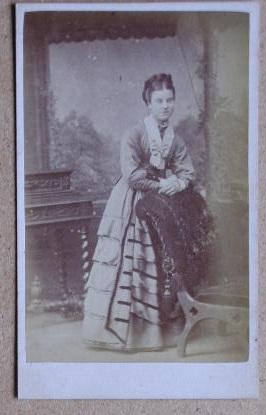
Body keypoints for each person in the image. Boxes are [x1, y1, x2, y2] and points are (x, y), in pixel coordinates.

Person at [82, 73, 195, 351]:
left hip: (163, 201)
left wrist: (178, 182)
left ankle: (163, 328)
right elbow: (132, 176)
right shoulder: (134, 134)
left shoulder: (174, 138)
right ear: (148, 102)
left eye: (170, 100)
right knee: (132, 258)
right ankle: (127, 333)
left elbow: (187, 170)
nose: (165, 106)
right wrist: (163, 183)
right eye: (159, 100)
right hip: (131, 202)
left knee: (164, 257)